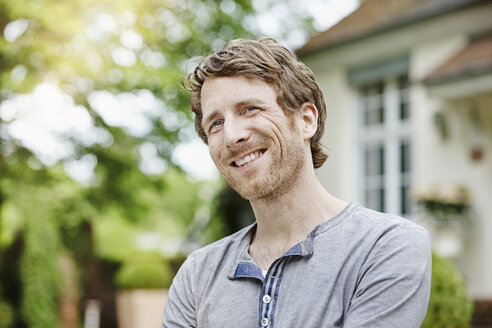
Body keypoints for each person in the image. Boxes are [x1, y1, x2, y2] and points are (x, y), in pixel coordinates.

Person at [162, 37, 431, 328]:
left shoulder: (386, 246)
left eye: (250, 109)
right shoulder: (197, 275)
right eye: (216, 123)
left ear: (306, 120)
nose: (231, 136)